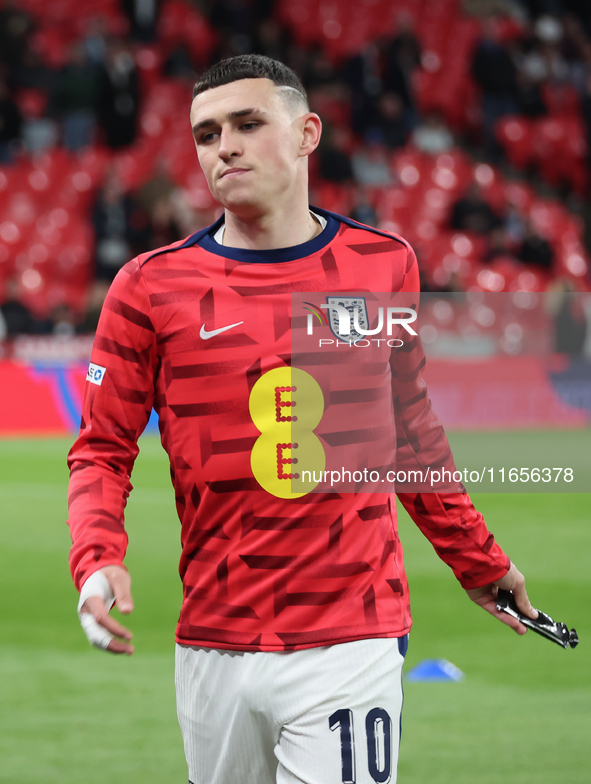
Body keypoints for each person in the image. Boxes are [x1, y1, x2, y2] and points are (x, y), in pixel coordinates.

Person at [68, 54, 538, 784]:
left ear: (305, 133)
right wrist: (96, 561)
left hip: (349, 637)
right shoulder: (149, 288)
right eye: (205, 132)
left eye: (247, 123)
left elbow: (408, 433)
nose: (223, 145)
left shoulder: (381, 265)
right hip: (212, 644)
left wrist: (476, 561)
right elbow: (101, 449)